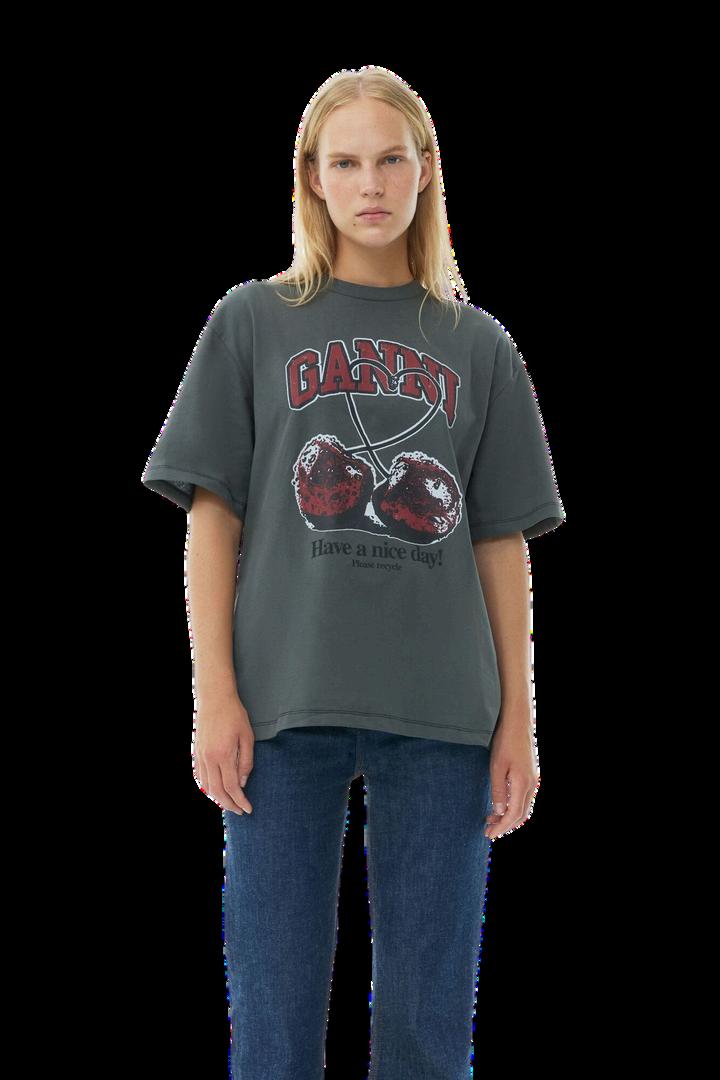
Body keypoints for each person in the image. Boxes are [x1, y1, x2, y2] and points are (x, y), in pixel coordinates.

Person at [141, 66, 566, 1080]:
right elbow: (211, 519)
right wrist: (215, 696)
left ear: (425, 171)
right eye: (344, 163)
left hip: (445, 712)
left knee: (426, 1037)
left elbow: (499, 541)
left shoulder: (479, 345)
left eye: (389, 159)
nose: (369, 184)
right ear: (312, 179)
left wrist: (519, 718)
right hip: (281, 707)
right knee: (274, 1032)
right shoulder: (251, 320)